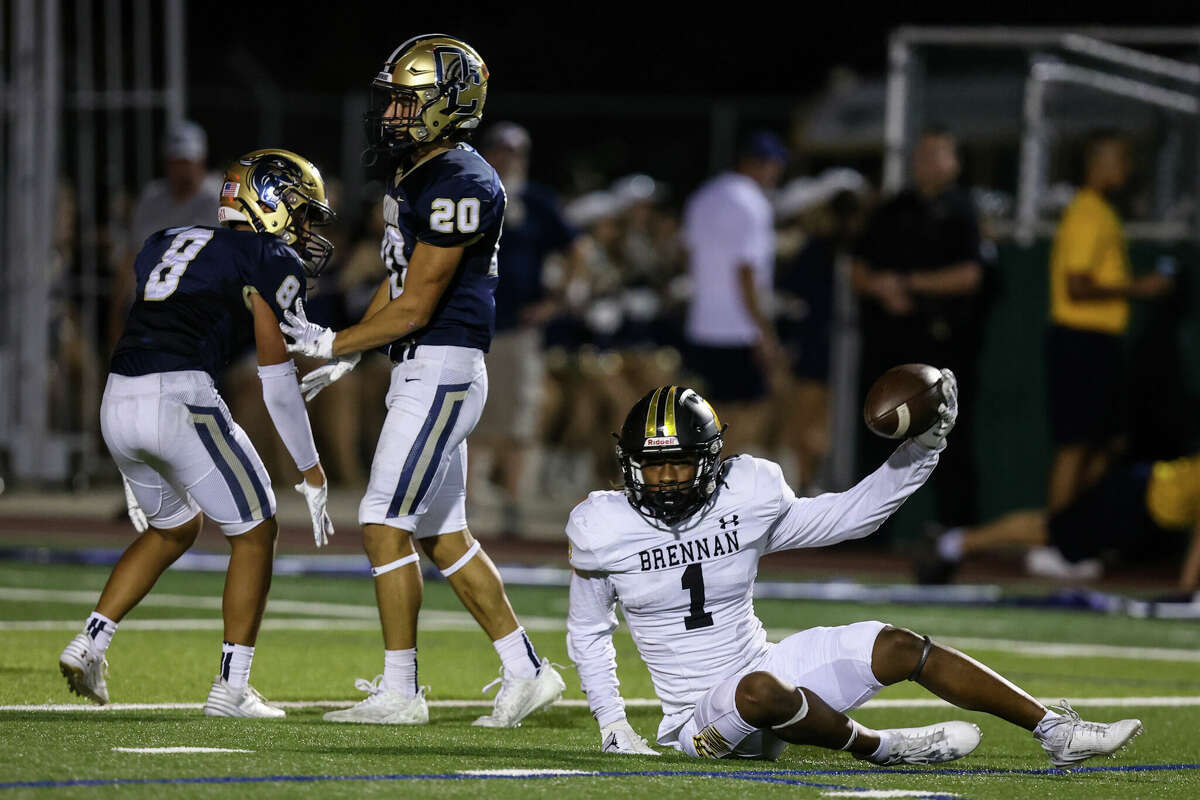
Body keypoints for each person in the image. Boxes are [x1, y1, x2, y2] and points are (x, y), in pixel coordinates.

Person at [565, 383, 1142, 766]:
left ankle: (1056, 733)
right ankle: (885, 747)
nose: (665, 478)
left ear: (711, 460)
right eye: (653, 463)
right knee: (761, 691)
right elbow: (589, 633)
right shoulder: (602, 526)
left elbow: (852, 515)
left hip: (765, 667)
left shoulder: (746, 499)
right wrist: (614, 724)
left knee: (898, 645)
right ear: (630, 465)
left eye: (679, 462)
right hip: (699, 721)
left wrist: (921, 450)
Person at [281, 34, 564, 727]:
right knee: (443, 536)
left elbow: (420, 301)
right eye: (395, 98)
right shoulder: (419, 171)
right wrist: (349, 353)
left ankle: (401, 691)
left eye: (409, 99)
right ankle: (528, 670)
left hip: (442, 363)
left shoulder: (462, 179)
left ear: (449, 104)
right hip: (424, 362)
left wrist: (334, 338)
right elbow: (398, 279)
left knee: (381, 521)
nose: (395, 112)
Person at [59, 149, 338, 716]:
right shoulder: (266, 254)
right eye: (302, 211)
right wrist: (310, 469)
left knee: (174, 526)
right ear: (272, 203)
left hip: (117, 399)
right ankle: (232, 689)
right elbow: (277, 380)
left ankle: (91, 641)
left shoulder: (166, 239)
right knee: (257, 530)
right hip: (180, 397)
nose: (306, 227)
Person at [852, 126, 987, 531]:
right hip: (889, 343)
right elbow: (858, 268)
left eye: (936, 154)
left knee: (948, 438)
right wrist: (880, 287)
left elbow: (971, 275)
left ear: (955, 162)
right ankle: (868, 533)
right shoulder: (892, 208)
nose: (925, 162)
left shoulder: (963, 210)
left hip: (942, 344)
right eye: (921, 153)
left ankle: (955, 533)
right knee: (878, 433)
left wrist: (908, 284)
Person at [1045, 130, 1173, 514]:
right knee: (1077, 444)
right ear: (1097, 164)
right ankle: (1056, 540)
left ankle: (1076, 532)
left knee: (1105, 443)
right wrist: (1139, 288)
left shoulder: (1103, 211)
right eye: (1120, 160)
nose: (1127, 169)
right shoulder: (1086, 211)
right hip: (1079, 339)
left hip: (1100, 341)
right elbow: (1077, 287)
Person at [473, 121, 585, 538]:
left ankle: (513, 504)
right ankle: (471, 504)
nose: (505, 159)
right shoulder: (470, 193)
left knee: (518, 419)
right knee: (472, 416)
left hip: (517, 326)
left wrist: (556, 301)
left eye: (513, 153)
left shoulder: (536, 202)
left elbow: (578, 250)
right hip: (472, 321)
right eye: (499, 151)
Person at [915, 450, 1200, 592]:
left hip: (1146, 502)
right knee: (1048, 530)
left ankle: (952, 542)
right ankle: (950, 543)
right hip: (1140, 498)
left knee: (1050, 531)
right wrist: (1187, 589)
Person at [681, 131, 788, 456]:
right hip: (738, 327)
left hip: (703, 321)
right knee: (750, 411)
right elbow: (746, 272)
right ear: (762, 165)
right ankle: (724, 483)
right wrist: (763, 330)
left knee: (711, 411)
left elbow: (688, 255)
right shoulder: (753, 204)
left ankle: (708, 480)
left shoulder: (702, 197)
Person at [108, 121, 222, 352]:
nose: (182, 169)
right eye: (176, 161)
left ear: (201, 160)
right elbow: (132, 258)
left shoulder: (218, 200)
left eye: (187, 161)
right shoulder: (152, 198)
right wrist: (115, 316)